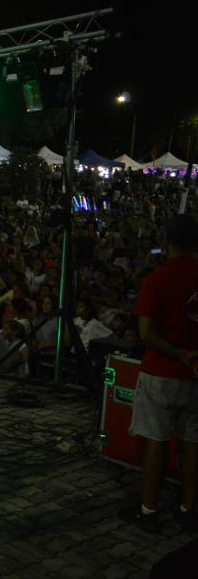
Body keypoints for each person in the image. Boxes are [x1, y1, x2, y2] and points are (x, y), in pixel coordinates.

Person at [120, 213, 198, 534]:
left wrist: (179, 353)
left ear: (166, 241)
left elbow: (145, 332)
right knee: (194, 443)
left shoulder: (157, 279)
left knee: (157, 441)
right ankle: (188, 508)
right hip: (195, 374)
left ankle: (148, 511)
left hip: (162, 372)